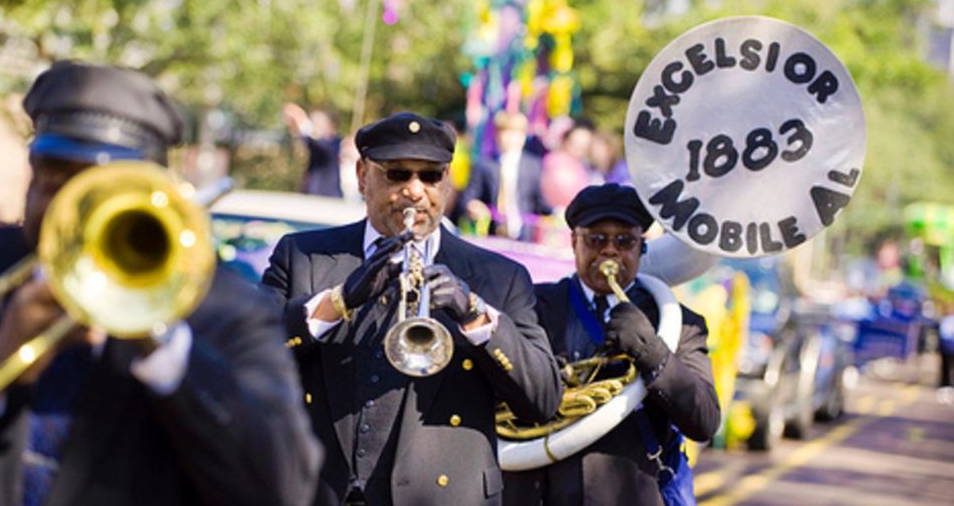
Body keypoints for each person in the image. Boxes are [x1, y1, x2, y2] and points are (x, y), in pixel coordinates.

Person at [0, 61, 322, 506]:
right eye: (53, 177)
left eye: (99, 189)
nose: (69, 208)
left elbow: (281, 489)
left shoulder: (228, 310)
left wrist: (164, 349)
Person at [261, 111, 563, 505]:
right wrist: (339, 301)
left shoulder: (499, 276)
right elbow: (250, 357)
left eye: (430, 176)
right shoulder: (303, 256)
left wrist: (475, 314)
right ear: (361, 175)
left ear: (447, 180)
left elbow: (542, 401)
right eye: (397, 174)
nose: (415, 191)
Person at [502, 183, 721, 505]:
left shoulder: (677, 321)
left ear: (641, 249)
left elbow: (704, 420)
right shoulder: (531, 306)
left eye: (624, 241)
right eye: (596, 239)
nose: (610, 251)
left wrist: (651, 351)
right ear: (573, 241)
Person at [460, 111, 551, 240]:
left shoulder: (534, 166)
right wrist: (472, 205)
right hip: (490, 234)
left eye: (516, 133)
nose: (511, 138)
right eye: (506, 133)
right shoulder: (484, 164)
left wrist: (557, 212)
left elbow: (541, 204)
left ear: (524, 136)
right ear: (496, 135)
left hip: (524, 236)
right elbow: (467, 198)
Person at [283, 102, 344, 198]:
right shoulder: (313, 146)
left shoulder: (334, 145)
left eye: (318, 123)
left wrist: (302, 121)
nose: (315, 127)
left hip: (329, 201)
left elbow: (319, 144)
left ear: (332, 127)